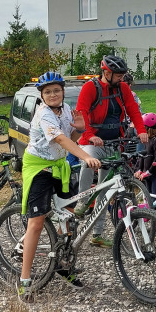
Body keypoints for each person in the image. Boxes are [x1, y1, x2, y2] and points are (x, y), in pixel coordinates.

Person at [18, 72, 101, 299]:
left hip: (58, 166)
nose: (53, 95)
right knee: (36, 223)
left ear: (62, 92)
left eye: (56, 90)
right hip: (39, 168)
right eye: (48, 92)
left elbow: (69, 138)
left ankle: (63, 265)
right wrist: (86, 156)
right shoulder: (44, 114)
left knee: (69, 217)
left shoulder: (65, 110)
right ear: (42, 95)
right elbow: (59, 139)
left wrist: (79, 130)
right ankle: (25, 280)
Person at [75, 55, 148, 248]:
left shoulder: (123, 88)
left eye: (123, 75)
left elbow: (133, 110)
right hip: (93, 142)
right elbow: (81, 112)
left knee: (104, 191)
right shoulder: (90, 88)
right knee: (88, 161)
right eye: (118, 75)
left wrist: (141, 130)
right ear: (106, 73)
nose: (122, 79)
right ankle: (82, 200)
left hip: (113, 143)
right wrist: (90, 135)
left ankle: (97, 235)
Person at [136, 113, 156, 215]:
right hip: (148, 175)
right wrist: (139, 170)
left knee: (155, 200)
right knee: (149, 200)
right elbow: (142, 156)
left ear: (147, 128)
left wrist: (148, 172)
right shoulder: (147, 140)